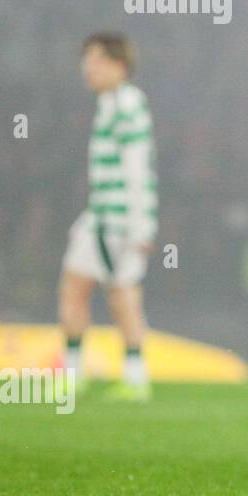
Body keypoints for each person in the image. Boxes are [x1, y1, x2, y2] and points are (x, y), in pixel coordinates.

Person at [59, 33, 159, 401]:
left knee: (115, 294)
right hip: (103, 216)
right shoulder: (111, 102)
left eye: (97, 60)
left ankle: (123, 377)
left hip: (116, 221)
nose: (88, 67)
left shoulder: (126, 104)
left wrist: (140, 225)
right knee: (94, 291)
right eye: (87, 59)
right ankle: (107, 375)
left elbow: (137, 168)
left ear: (120, 65)